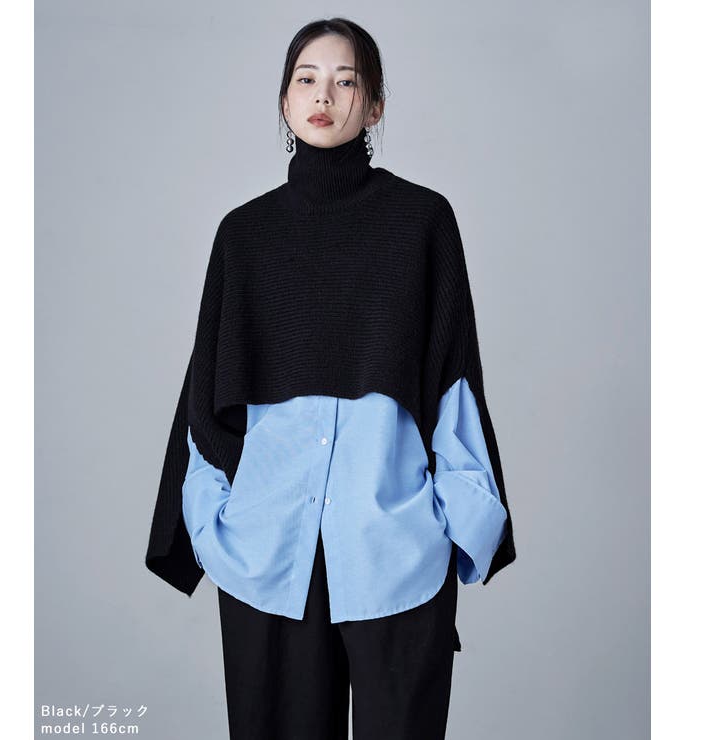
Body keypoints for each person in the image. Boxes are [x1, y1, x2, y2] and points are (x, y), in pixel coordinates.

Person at [145, 16, 516, 740]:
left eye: (346, 81)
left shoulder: (421, 222)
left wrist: (450, 529)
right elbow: (205, 397)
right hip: (264, 557)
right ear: (284, 100)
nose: (324, 95)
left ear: (374, 105)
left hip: (395, 550)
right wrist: (211, 519)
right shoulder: (244, 235)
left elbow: (454, 382)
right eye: (306, 79)